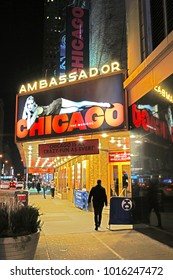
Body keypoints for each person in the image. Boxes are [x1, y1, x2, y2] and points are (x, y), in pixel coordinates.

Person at [22, 95, 113, 129]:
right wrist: (28, 112)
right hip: (56, 111)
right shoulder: (34, 112)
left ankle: (102, 104)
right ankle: (96, 106)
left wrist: (29, 113)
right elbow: (25, 121)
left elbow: (29, 126)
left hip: (56, 104)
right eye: (30, 105)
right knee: (77, 109)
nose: (33, 105)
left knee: (78, 105)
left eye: (32, 103)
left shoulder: (36, 111)